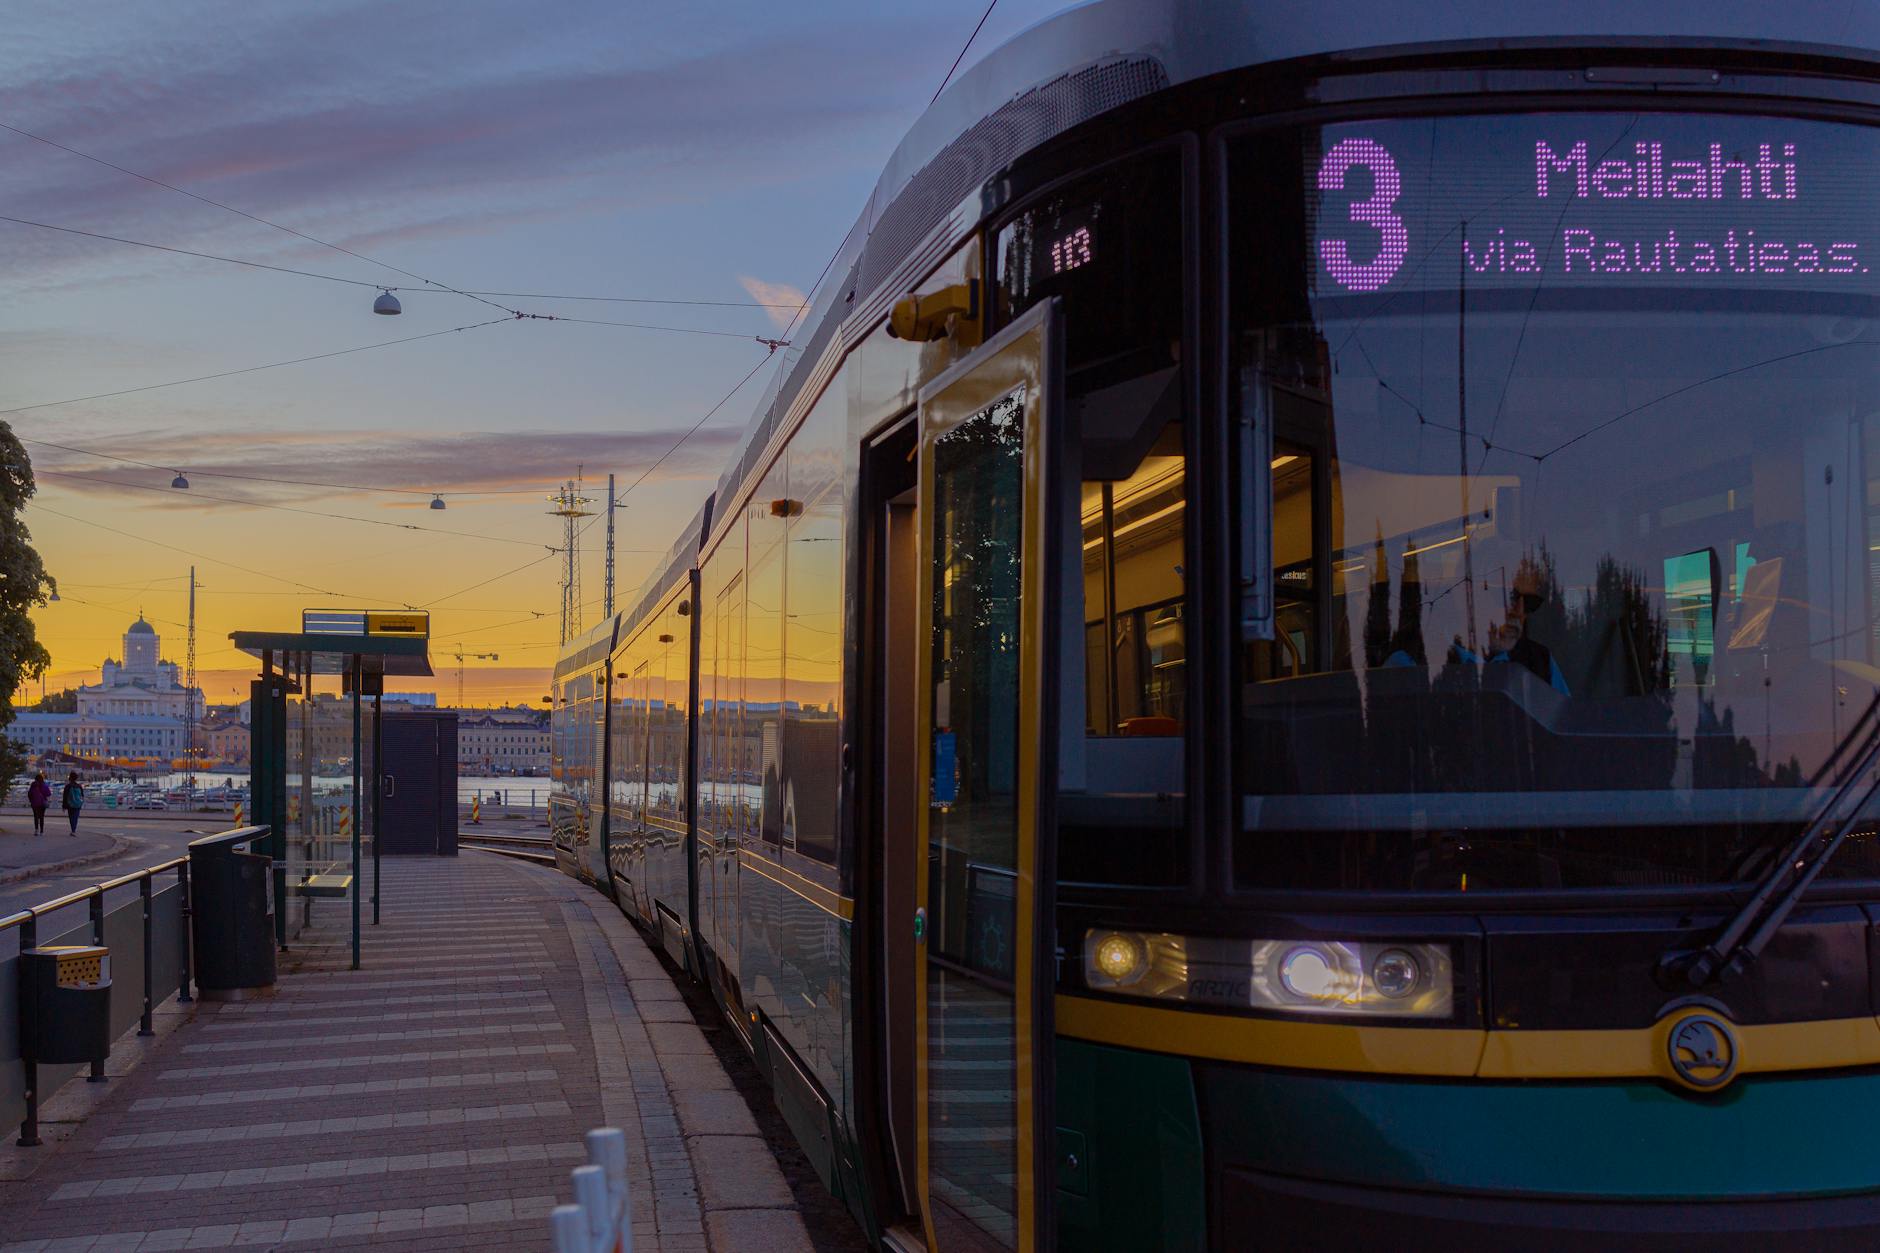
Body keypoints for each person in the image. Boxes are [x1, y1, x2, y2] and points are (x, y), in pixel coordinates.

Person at [60, 772, 84, 836]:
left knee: (71, 817)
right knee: (76, 818)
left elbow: (65, 797)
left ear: (70, 778)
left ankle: (73, 830)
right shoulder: (79, 786)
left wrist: (64, 806)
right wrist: (81, 802)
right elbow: (82, 795)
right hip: (78, 804)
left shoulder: (68, 786)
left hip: (70, 804)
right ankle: (74, 830)